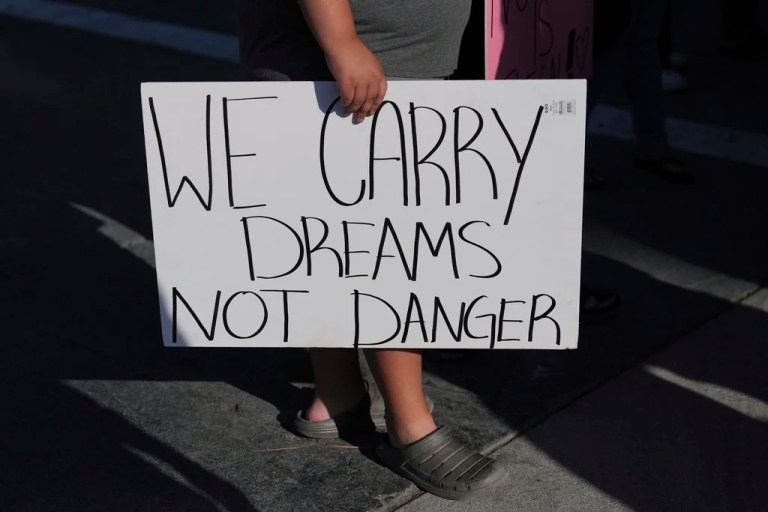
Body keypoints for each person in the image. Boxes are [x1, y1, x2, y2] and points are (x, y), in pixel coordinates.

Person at [236, 0, 506, 500]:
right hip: (349, 49)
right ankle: (410, 425)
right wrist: (341, 39)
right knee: (383, 240)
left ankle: (336, 394)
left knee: (331, 237)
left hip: (381, 50)